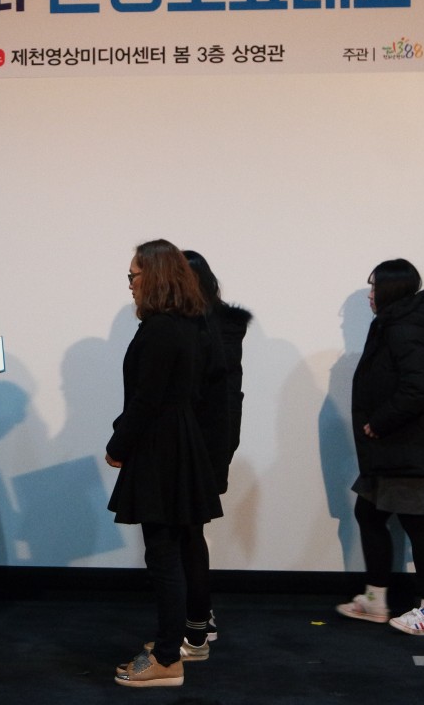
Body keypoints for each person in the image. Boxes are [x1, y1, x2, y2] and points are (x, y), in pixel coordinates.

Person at [106, 239, 222, 688]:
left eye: (133, 276)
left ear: (152, 277)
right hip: (177, 444)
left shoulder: (160, 329)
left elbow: (146, 399)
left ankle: (168, 659)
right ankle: (171, 645)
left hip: (160, 449)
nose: (130, 285)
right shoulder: (187, 325)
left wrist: (118, 445)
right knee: (169, 551)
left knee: (163, 556)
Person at [336, 259, 424, 637]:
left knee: (420, 528)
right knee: (369, 514)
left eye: (374, 287)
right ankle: (376, 599)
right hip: (394, 450)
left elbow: (418, 389)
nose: (370, 295)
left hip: (411, 449)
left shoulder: (405, 329)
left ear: (391, 289)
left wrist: (379, 422)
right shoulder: (396, 325)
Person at [180, 249, 252, 655]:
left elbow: (215, 397)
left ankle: (197, 624)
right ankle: (198, 617)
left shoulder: (201, 330)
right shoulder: (220, 327)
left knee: (186, 533)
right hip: (209, 443)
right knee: (189, 533)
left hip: (194, 444)